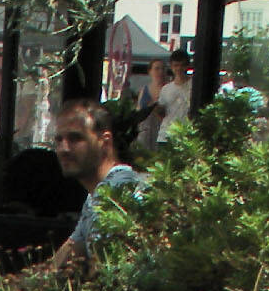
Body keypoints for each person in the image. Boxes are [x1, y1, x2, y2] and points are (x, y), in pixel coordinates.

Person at [49, 99, 150, 272]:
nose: (64, 149)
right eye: (59, 140)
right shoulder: (96, 195)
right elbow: (66, 256)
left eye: (75, 138)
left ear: (105, 141)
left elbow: (105, 279)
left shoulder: (118, 190)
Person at [155, 48, 192, 144]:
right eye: (176, 65)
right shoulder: (165, 89)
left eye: (182, 65)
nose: (179, 69)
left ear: (187, 66)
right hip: (166, 135)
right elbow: (160, 113)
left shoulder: (194, 87)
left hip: (186, 136)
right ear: (171, 67)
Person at [135, 59, 170, 152]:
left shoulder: (169, 90)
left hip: (162, 130)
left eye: (163, 69)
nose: (160, 72)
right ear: (150, 71)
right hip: (145, 130)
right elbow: (139, 109)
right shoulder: (144, 90)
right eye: (157, 69)